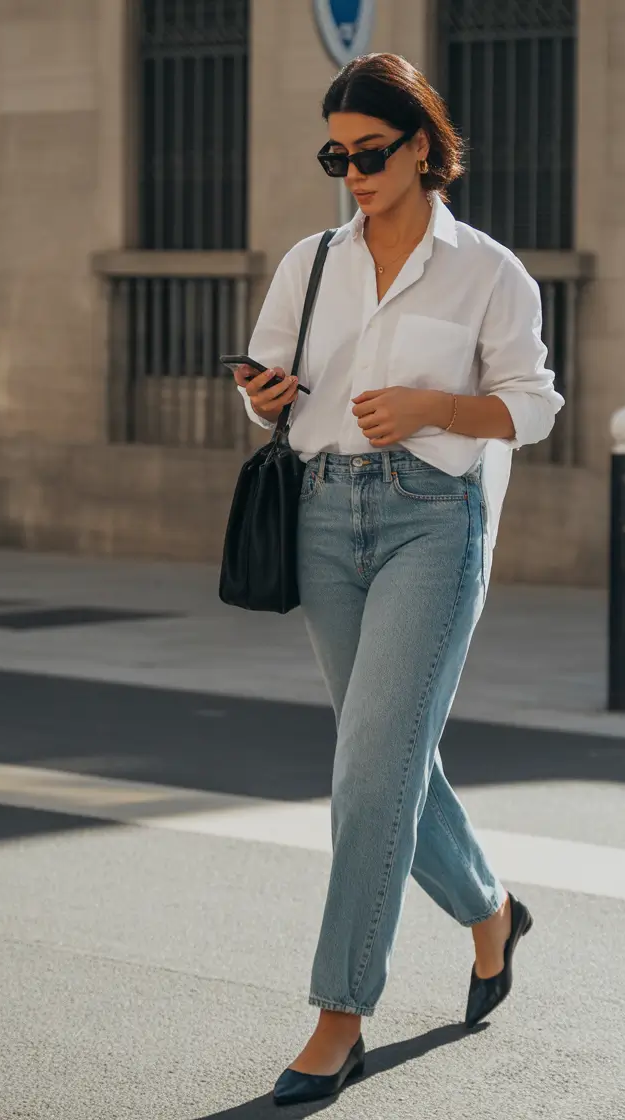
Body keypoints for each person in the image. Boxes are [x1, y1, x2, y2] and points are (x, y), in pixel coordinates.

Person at [233, 53, 564, 1107]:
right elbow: (266, 394)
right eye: (337, 154)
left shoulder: (487, 272)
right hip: (323, 516)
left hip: (432, 521)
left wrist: (432, 407)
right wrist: (264, 393)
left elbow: (533, 405)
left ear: (422, 146)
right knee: (390, 756)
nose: (353, 171)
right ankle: (489, 913)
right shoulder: (311, 260)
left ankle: (339, 1013)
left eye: (370, 152)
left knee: (369, 767)